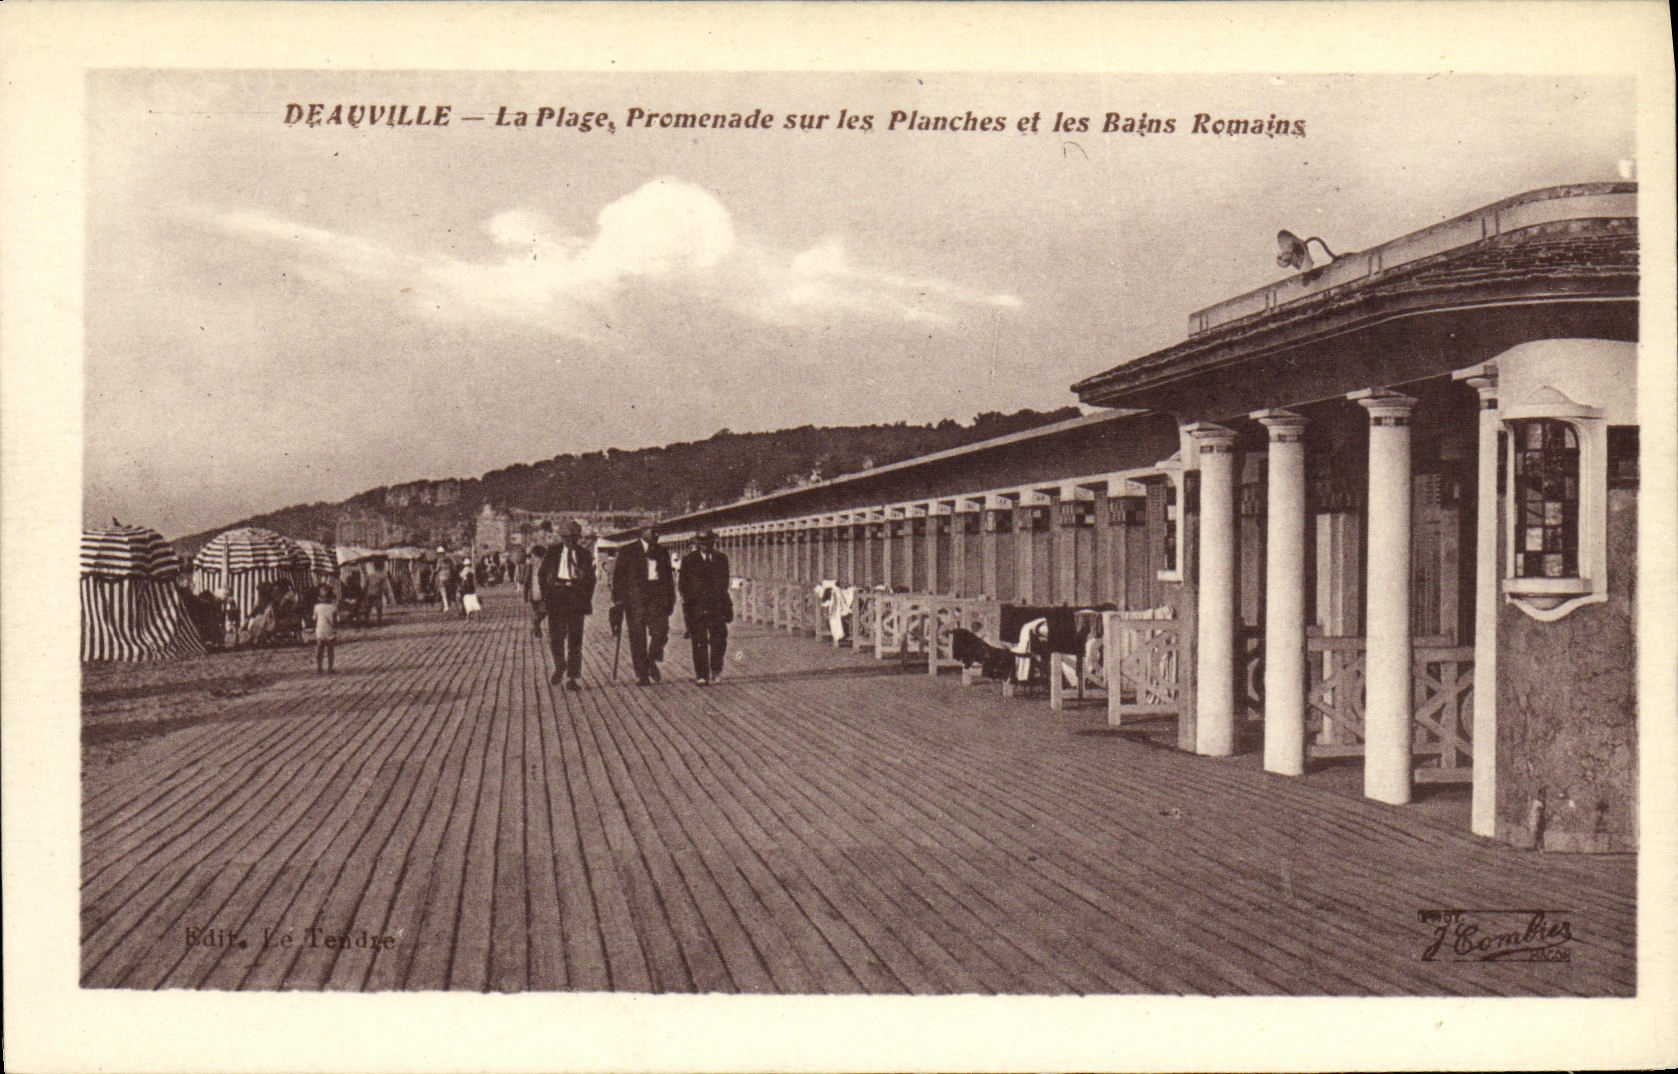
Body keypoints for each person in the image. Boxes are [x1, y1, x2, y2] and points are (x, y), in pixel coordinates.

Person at [612, 525, 675, 686]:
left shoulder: (662, 551)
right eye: (652, 531)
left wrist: (671, 599)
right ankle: (642, 674)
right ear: (642, 532)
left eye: (657, 531)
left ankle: (651, 658)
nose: (656, 534)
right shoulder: (628, 550)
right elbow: (618, 576)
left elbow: (668, 578)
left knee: (661, 632)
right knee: (637, 636)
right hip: (635, 599)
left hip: (657, 597)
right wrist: (618, 599)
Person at [538, 520, 595, 689]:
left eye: (573, 538)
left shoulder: (584, 554)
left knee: (575, 638)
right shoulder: (553, 552)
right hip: (557, 596)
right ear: (561, 538)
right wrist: (546, 593)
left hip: (575, 597)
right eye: (566, 538)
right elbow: (542, 574)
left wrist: (584, 576)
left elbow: (592, 579)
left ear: (577, 538)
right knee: (556, 637)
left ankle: (572, 677)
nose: (569, 541)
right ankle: (560, 665)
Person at [679, 529, 733, 685]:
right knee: (699, 640)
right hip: (696, 606)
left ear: (713, 543)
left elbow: (725, 581)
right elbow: (683, 583)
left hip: (717, 606)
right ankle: (701, 675)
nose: (705, 547)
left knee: (719, 640)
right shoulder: (689, 560)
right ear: (698, 544)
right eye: (702, 544)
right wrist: (689, 600)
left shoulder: (721, 559)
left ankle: (716, 669)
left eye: (708, 544)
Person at [519, 543, 547, 638]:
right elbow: (526, 581)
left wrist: (525, 595)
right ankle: (536, 624)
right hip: (538, 592)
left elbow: (526, 581)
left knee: (540, 611)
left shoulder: (534, 565)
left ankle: (536, 624)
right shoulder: (532, 566)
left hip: (538, 593)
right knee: (541, 611)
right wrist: (525, 595)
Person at [313, 581, 339, 673]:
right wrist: (335, 630)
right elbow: (335, 621)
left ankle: (319, 667)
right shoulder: (333, 608)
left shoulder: (317, 607)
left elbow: (314, 618)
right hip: (329, 630)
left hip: (320, 629)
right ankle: (330, 668)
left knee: (320, 649)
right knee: (330, 650)